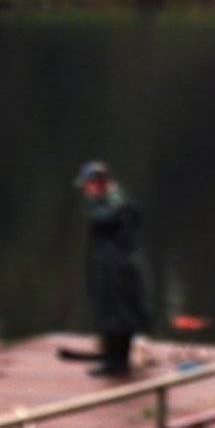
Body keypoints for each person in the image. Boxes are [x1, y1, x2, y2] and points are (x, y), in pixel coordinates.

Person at [74, 160, 154, 377]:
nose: (86, 190)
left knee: (117, 315)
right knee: (112, 315)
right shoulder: (116, 201)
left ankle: (117, 363)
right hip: (113, 268)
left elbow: (103, 218)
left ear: (97, 183)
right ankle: (114, 361)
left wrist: (107, 199)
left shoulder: (112, 204)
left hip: (117, 270)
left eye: (88, 185)